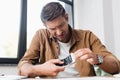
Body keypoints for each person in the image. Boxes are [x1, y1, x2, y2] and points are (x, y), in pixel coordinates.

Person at [17, 2, 120, 78]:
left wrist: (98, 59)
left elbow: (116, 66)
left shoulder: (87, 36)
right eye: (52, 29)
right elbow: (23, 66)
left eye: (61, 25)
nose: (58, 32)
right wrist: (39, 69)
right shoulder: (40, 36)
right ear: (45, 26)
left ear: (67, 17)